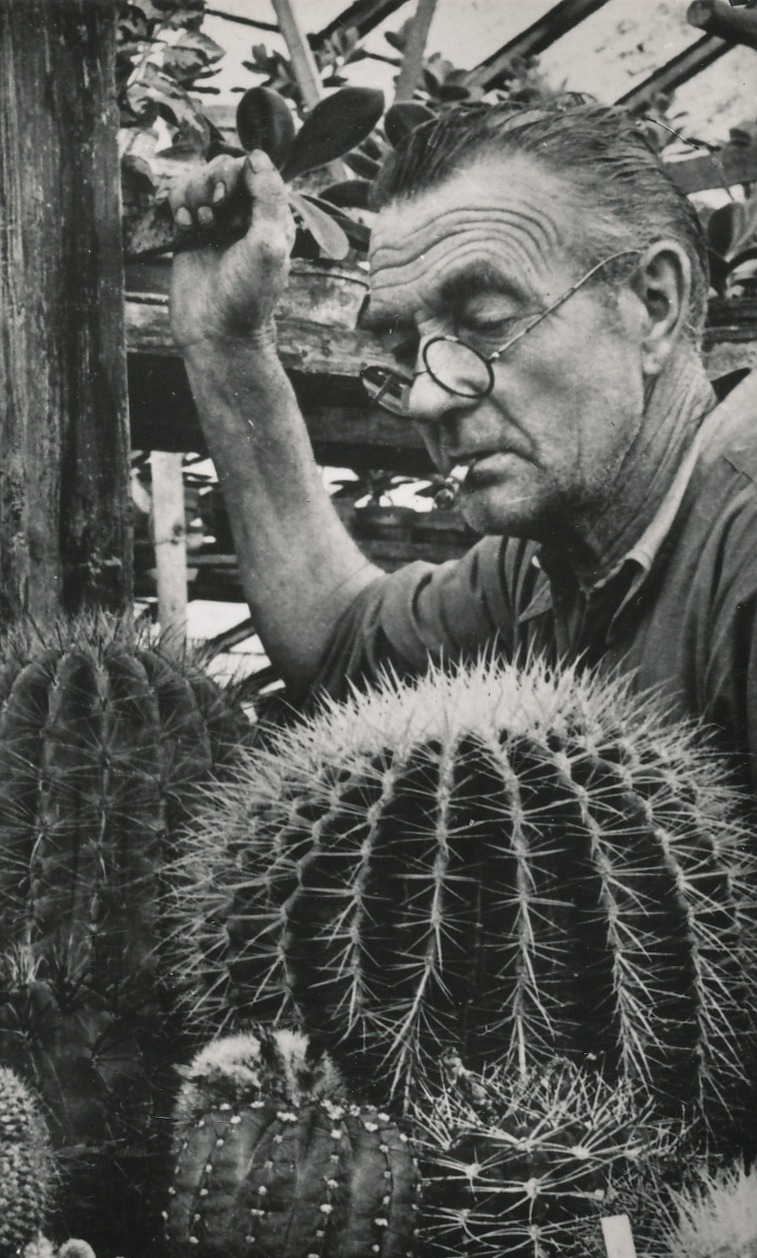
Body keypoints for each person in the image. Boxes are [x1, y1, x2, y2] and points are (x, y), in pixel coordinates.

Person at [167, 100, 757, 790]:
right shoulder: (544, 561)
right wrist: (225, 345)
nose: (424, 397)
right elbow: (344, 650)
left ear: (651, 304)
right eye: (402, 350)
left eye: (484, 323)